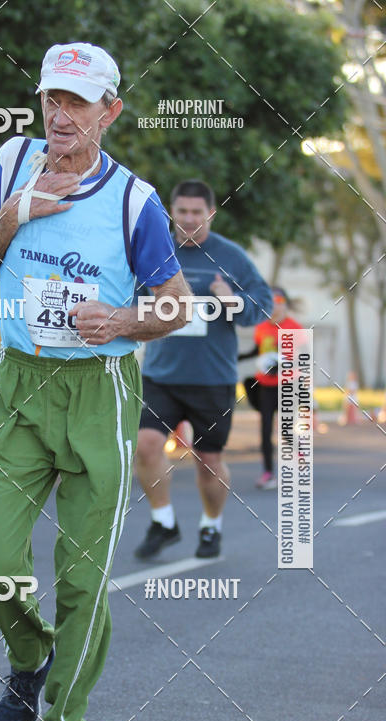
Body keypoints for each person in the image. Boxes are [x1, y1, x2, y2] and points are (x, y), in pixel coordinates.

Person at [0, 43, 189, 721]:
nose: (61, 115)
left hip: (101, 392)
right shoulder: (10, 162)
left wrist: (123, 322)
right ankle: (30, 654)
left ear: (109, 112)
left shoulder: (136, 201)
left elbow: (176, 306)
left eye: (78, 102)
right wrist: (11, 217)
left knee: (84, 579)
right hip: (21, 386)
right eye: (52, 99)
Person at [134, 179, 273, 560]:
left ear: (210, 213)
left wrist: (232, 301)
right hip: (161, 374)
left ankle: (210, 527)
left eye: (197, 213)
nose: (190, 219)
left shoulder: (230, 256)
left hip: (213, 379)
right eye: (182, 212)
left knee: (208, 460)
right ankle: (163, 522)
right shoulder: (154, 250)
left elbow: (262, 305)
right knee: (145, 446)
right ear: (171, 213)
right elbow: (128, 296)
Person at [239, 287, 303, 488]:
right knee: (265, 429)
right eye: (271, 302)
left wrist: (282, 366)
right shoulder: (262, 327)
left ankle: (299, 457)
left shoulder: (295, 329)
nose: (275, 307)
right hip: (265, 385)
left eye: (279, 302)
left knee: (285, 429)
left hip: (288, 386)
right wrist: (239, 357)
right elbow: (258, 350)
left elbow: (302, 359)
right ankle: (268, 473)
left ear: (285, 305)